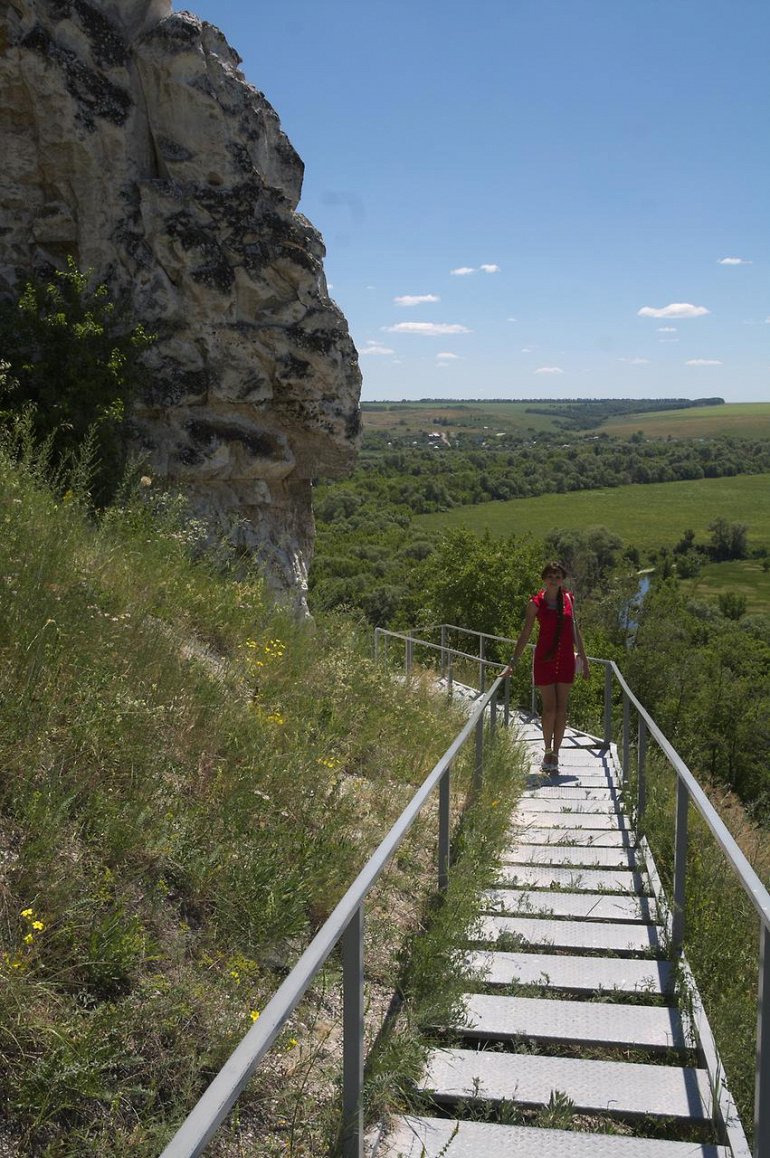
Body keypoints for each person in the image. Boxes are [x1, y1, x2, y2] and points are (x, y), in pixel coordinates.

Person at [501, 561, 589, 773]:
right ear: (544, 579)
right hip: (544, 660)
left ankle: (556, 755)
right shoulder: (536, 603)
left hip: (567, 660)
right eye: (550, 576)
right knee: (549, 709)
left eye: (557, 576)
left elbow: (575, 632)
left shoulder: (569, 599)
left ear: (562, 579)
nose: (554, 579)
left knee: (561, 709)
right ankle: (547, 751)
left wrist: (585, 661)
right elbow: (525, 634)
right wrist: (513, 663)